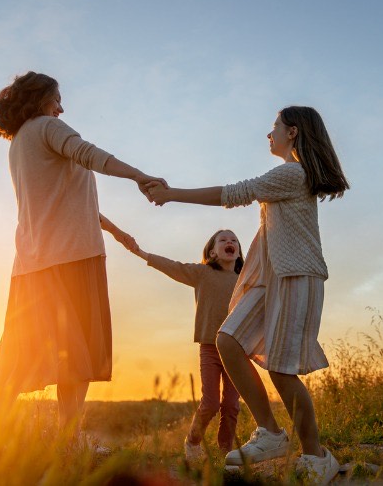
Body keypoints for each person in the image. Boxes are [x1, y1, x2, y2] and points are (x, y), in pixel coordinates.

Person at [146, 106, 349, 484]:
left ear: (292, 132)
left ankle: (317, 456)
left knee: (281, 369)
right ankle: (271, 433)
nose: (268, 134)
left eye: (273, 128)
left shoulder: (293, 172)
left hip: (296, 276)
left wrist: (172, 194)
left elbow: (234, 192)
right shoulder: (290, 173)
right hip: (269, 277)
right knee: (228, 339)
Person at [0, 71, 165, 453]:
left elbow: (65, 202)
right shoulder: (48, 126)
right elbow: (91, 155)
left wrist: (113, 231)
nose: (61, 107)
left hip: (31, 263)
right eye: (56, 98)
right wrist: (138, 176)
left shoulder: (18, 145)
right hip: (73, 258)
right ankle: (68, 441)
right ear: (40, 98)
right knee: (78, 355)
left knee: (17, 351)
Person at [129, 229, 244, 459]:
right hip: (210, 348)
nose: (229, 242)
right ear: (212, 251)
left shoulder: (245, 279)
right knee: (210, 403)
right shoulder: (202, 273)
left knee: (231, 406)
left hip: (236, 350)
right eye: (223, 240)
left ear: (239, 252)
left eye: (234, 241)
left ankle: (225, 454)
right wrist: (143, 254)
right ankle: (192, 442)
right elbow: (174, 266)